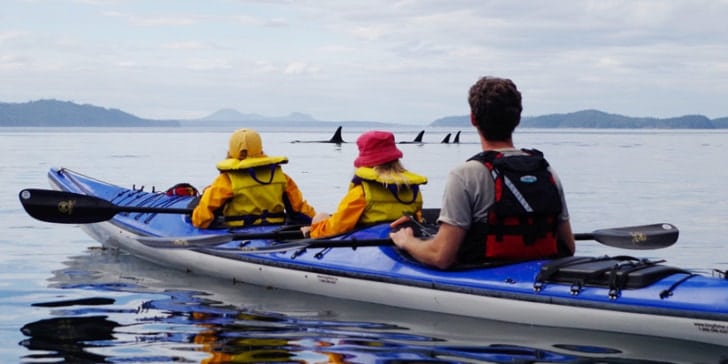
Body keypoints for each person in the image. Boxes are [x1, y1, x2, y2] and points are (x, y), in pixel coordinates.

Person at [389, 76, 575, 269]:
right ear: (518, 119)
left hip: (484, 275)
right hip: (536, 277)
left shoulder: (464, 175)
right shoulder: (546, 171)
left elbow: (441, 257)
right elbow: (568, 247)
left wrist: (407, 241)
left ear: (473, 119)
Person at [303, 130, 428, 238]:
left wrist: (312, 232)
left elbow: (337, 227)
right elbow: (418, 219)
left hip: (367, 242)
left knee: (321, 217)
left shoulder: (362, 191)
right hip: (400, 238)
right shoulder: (413, 190)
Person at [191, 128, 316, 229]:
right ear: (260, 148)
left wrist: (195, 216)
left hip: (239, 233)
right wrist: (319, 223)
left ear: (232, 150)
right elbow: (299, 211)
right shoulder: (281, 177)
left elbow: (202, 219)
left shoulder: (227, 180)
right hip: (276, 230)